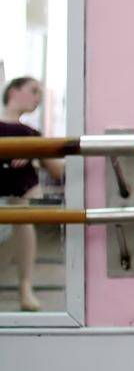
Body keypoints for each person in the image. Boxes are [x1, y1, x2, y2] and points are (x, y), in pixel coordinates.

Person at [1, 77, 65, 312]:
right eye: (33, 91)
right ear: (14, 91)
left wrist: (32, 153)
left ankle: (25, 287)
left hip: (21, 192)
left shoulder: (30, 133)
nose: (37, 97)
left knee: (22, 217)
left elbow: (57, 170)